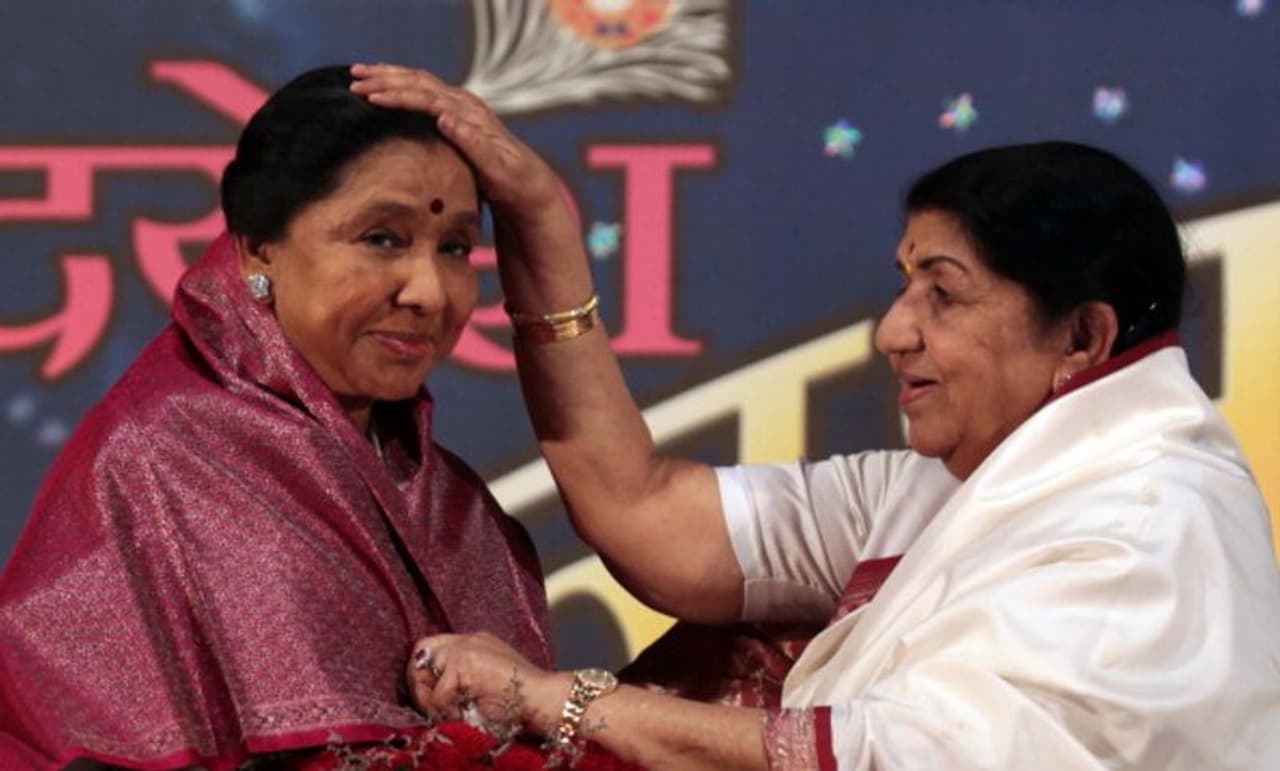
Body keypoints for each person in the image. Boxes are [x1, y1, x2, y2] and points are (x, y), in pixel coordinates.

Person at [348, 65, 1280, 769]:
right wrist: (544, 228)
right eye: (905, 284)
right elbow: (647, 511)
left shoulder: (1147, 525)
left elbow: (894, 758)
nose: (893, 332)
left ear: (1080, 337)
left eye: (943, 293)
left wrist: (560, 701)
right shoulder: (964, 482)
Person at [0, 65, 552, 770]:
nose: (430, 292)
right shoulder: (164, 456)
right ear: (259, 247)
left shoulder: (456, 504)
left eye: (454, 248)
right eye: (382, 238)